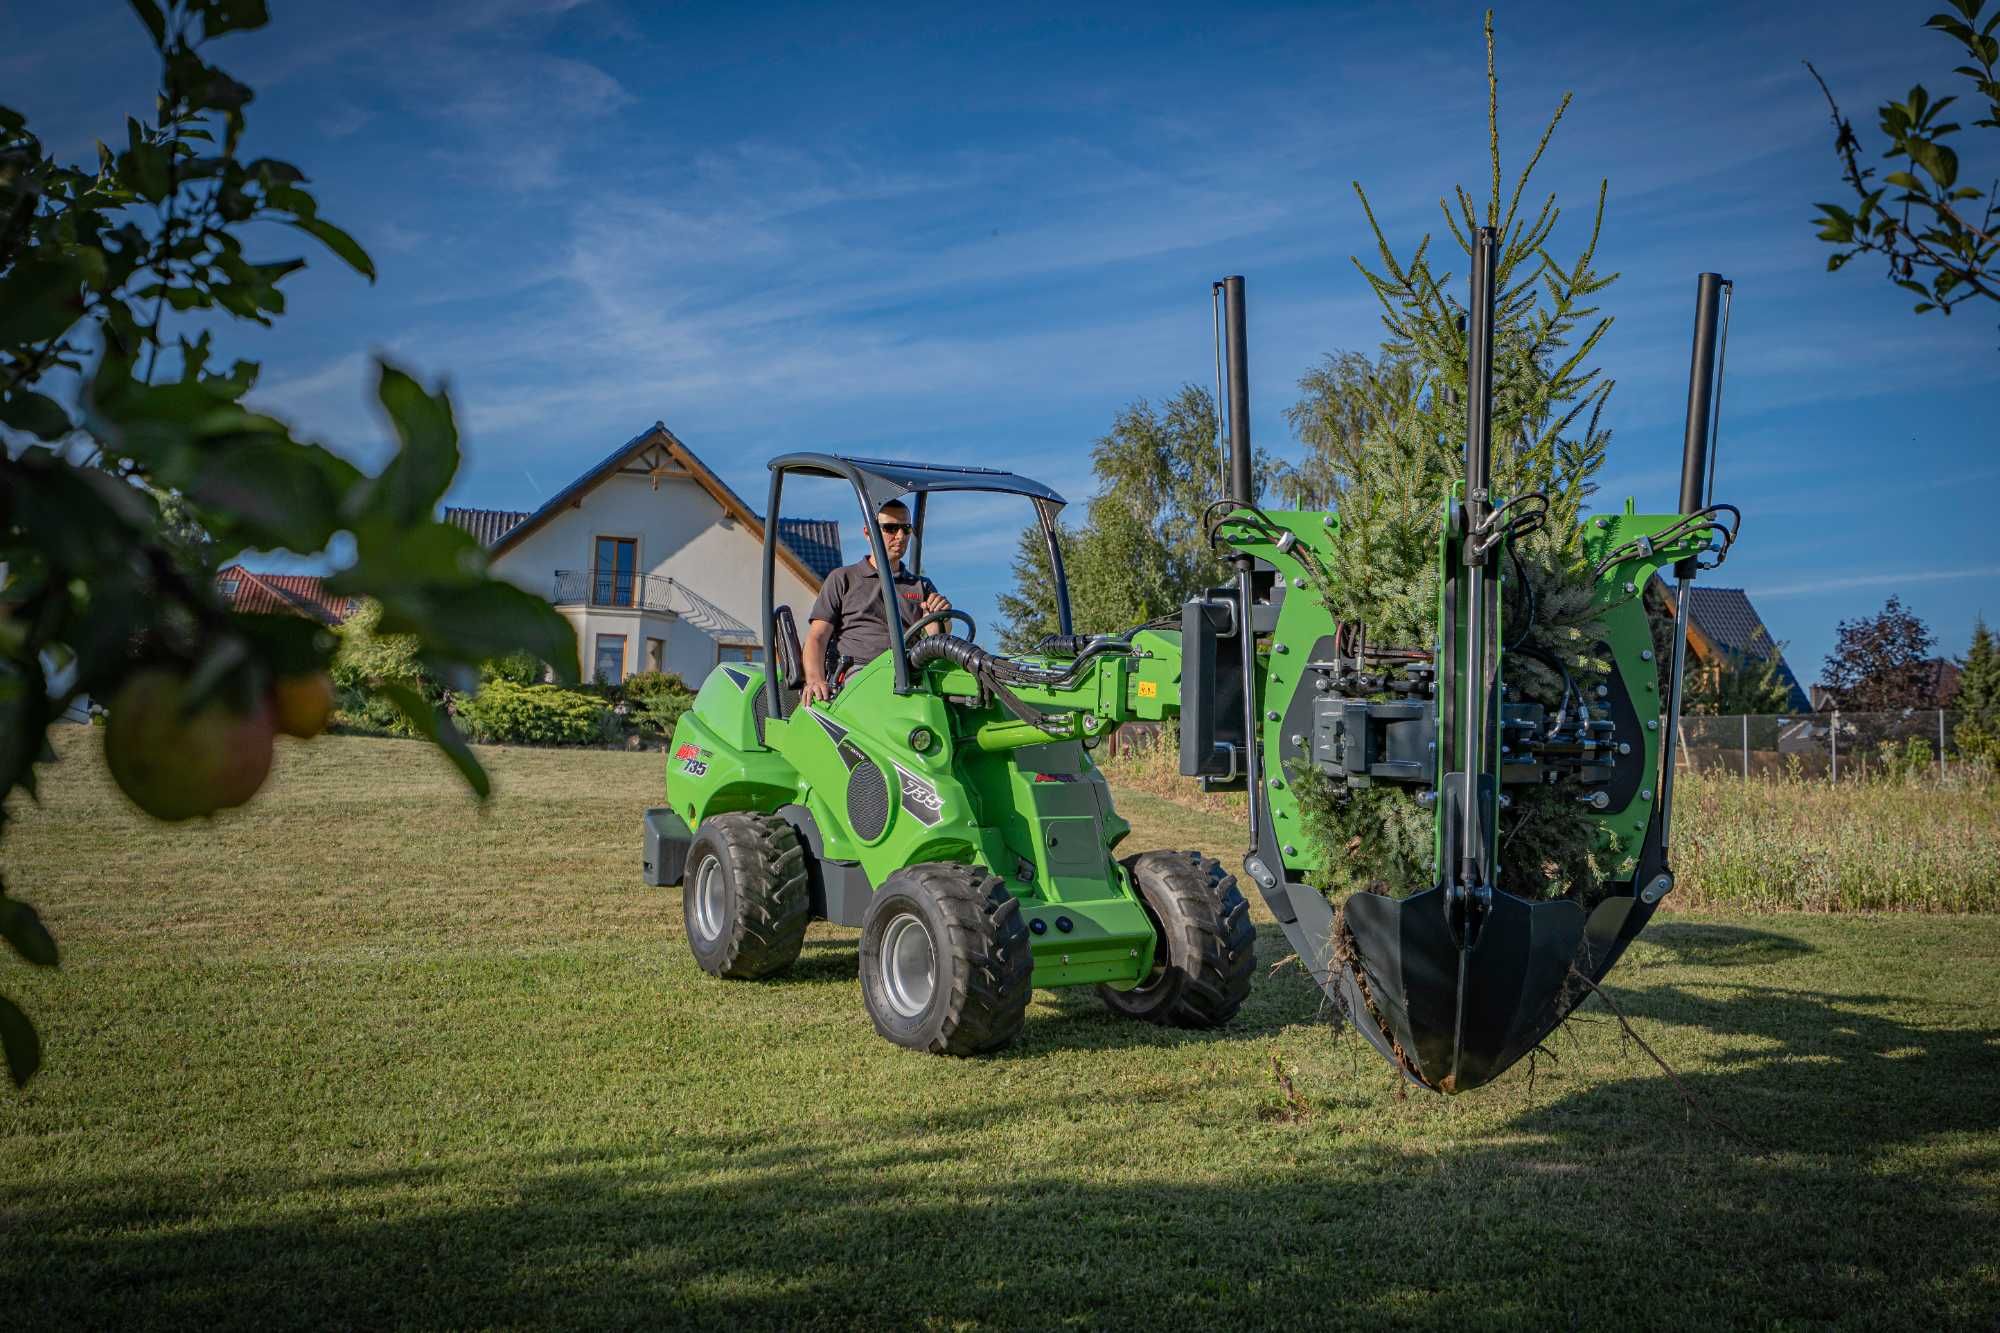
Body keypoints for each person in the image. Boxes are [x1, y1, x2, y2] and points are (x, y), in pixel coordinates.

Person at [801, 498, 950, 703]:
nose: (900, 536)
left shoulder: (921, 586)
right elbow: (817, 637)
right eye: (891, 528)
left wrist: (938, 618)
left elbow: (937, 637)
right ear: (868, 533)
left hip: (911, 672)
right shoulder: (843, 579)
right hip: (860, 673)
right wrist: (815, 680)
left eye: (906, 529)